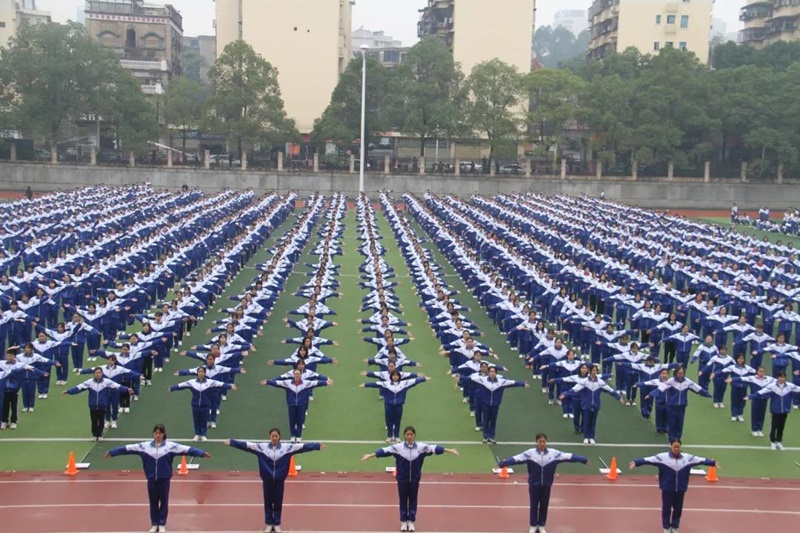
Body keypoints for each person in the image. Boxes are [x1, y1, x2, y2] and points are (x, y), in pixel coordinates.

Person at [105, 423, 210, 533]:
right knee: (153, 502)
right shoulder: (144, 447)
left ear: (163, 434)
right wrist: (112, 453)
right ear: (153, 434)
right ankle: (154, 524)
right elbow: (127, 448)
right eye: (156, 433)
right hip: (151, 479)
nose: (157, 435)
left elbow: (188, 449)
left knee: (164, 501)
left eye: (160, 433)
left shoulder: (171, 447)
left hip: (164, 479)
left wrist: (201, 454)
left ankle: (162, 523)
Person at [225, 427, 325, 533]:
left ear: (279, 437)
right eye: (272, 436)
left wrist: (317, 446)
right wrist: (232, 442)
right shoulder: (261, 447)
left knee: (278, 502)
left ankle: (276, 524)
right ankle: (269, 523)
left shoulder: (287, 448)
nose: (274, 438)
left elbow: (303, 447)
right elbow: (246, 445)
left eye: (276, 436)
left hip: (279, 481)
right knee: (268, 502)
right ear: (269, 437)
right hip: (267, 480)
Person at [361, 425, 459, 532]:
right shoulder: (398, 448)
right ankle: (403, 522)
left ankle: (411, 522)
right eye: (407, 434)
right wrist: (370, 455)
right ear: (404, 436)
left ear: (414, 435)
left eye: (411, 434)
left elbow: (435, 448)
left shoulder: (421, 448)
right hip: (402, 479)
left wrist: (450, 450)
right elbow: (384, 451)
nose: (409, 436)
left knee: (413, 500)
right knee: (403, 500)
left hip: (415, 480)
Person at [497, 432, 589, 533]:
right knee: (534, 505)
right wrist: (502, 464)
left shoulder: (554, 454)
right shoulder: (530, 453)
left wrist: (583, 460)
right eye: (540, 441)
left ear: (546, 442)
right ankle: (532, 525)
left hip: (546, 484)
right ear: (536, 442)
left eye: (544, 441)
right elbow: (516, 458)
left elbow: (568, 456)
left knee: (544, 505)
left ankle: (541, 525)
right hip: (534, 484)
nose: (542, 443)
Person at [630, 439, 717, 533]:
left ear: (680, 447)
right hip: (667, 488)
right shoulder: (662, 457)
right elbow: (648, 460)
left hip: (681, 488)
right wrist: (636, 462)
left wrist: (712, 463)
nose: (676, 448)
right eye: (674, 446)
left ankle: (675, 526)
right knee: (666, 508)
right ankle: (666, 527)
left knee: (678, 509)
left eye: (678, 446)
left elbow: (700, 460)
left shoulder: (687, 458)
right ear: (670, 446)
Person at [62, 367, 133, 441]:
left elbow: (117, 386)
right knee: (94, 421)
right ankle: (94, 435)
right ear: (94, 374)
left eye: (100, 373)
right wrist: (68, 391)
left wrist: (127, 389)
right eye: (97, 373)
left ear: (102, 374)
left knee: (101, 421)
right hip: (93, 405)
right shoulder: (89, 382)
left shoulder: (107, 382)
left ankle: (100, 435)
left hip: (102, 405)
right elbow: (78, 388)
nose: (98, 374)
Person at [168, 367, 237, 442]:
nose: (201, 373)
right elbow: (181, 385)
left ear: (204, 373)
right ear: (197, 373)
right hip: (195, 404)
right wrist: (172, 388)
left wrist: (230, 386)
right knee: (196, 420)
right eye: (199, 372)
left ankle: (203, 435)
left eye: (202, 372)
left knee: (204, 420)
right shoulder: (192, 382)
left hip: (205, 404)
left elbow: (220, 384)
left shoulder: (210, 382)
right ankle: (197, 434)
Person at [360, 372, 429, 443]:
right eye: (393, 376)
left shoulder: (404, 383)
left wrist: (423, 379)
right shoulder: (386, 384)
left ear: (399, 376)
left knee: (397, 421)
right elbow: (376, 384)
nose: (395, 377)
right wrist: (365, 385)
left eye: (397, 376)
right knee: (388, 421)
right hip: (389, 405)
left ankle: (396, 436)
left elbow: (414, 381)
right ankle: (389, 436)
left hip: (398, 406)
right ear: (391, 377)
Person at [745, 370, 800, 450]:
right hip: (775, 410)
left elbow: (798, 389)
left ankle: (779, 442)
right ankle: (773, 442)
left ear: (785, 378)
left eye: (783, 377)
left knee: (781, 427)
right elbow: (761, 392)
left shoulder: (790, 386)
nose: (782, 379)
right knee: (774, 427)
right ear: (777, 378)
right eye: (780, 377)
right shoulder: (772, 386)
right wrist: (750, 396)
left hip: (784, 411)